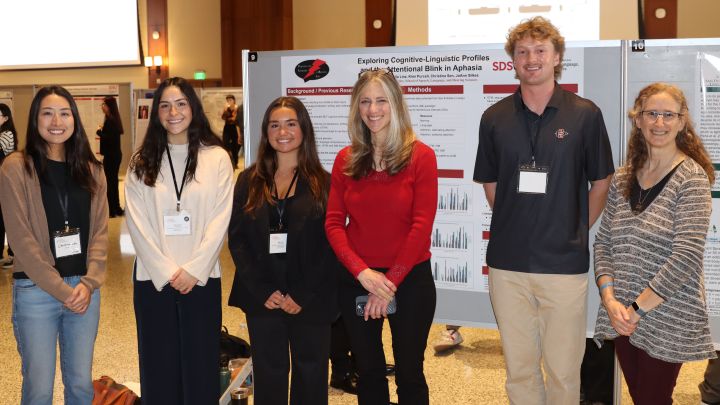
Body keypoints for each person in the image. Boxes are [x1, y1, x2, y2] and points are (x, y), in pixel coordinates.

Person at [473, 17, 614, 405]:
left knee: (564, 370)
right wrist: (517, 222)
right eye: (522, 52)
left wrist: (573, 227)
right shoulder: (494, 118)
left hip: (564, 265)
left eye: (540, 51)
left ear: (556, 58)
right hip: (507, 263)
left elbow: (601, 182)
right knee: (519, 369)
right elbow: (490, 182)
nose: (530, 59)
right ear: (512, 62)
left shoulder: (585, 114)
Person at [593, 82, 716, 405]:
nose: (658, 123)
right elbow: (603, 244)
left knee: (652, 399)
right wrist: (610, 301)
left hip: (668, 315)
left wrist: (635, 309)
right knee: (644, 399)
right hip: (621, 315)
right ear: (637, 119)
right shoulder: (623, 178)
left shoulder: (691, 178)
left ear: (681, 121)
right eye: (651, 114)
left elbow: (686, 257)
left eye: (668, 115)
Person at [325, 68, 438, 405]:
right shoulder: (346, 160)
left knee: (409, 373)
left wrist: (387, 284)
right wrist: (363, 274)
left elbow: (421, 226)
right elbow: (333, 223)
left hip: (410, 280)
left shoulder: (421, 157)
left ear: (395, 104)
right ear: (356, 108)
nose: (373, 110)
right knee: (369, 372)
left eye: (381, 101)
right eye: (365, 102)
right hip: (356, 279)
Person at [125, 77, 233, 404]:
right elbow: (137, 223)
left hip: (201, 280)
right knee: (158, 367)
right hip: (152, 281)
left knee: (200, 367)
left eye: (181, 103)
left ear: (193, 108)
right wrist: (168, 271)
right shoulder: (140, 160)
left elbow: (220, 219)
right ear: (156, 112)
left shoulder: (216, 158)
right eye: (165, 105)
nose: (174, 112)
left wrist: (193, 270)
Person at [0, 85, 108, 404]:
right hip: (36, 291)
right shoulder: (15, 168)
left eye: (64, 113)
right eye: (47, 113)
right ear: (35, 120)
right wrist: (62, 290)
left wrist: (88, 284)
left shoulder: (92, 169)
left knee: (80, 386)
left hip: (85, 290)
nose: (56, 121)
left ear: (75, 119)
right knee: (38, 388)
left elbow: (100, 234)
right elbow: (22, 241)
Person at [228, 96, 338, 404]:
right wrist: (263, 289)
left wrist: (302, 294)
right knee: (269, 372)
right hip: (263, 296)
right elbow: (237, 240)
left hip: (311, 297)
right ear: (266, 132)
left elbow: (331, 245)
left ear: (304, 129)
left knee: (311, 373)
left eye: (291, 124)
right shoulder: (248, 180)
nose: (283, 132)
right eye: (274, 125)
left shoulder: (325, 184)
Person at [96, 96, 124, 217]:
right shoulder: (113, 119)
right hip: (114, 155)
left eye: (104, 105)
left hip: (112, 156)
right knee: (113, 182)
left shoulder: (111, 120)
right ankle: (116, 208)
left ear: (109, 106)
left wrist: (99, 132)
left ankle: (112, 210)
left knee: (110, 182)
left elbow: (109, 138)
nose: (103, 107)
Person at [0, 103, 17, 267]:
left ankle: (14, 254)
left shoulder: (7, 134)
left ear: (5, 118)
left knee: (8, 218)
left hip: (5, 183)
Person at [222, 94, 241, 168]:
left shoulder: (237, 108)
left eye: (230, 100)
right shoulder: (226, 108)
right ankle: (228, 161)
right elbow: (223, 117)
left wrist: (231, 117)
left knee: (235, 146)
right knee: (225, 143)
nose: (229, 101)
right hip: (227, 127)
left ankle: (235, 163)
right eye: (227, 100)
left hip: (235, 128)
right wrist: (225, 110)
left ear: (234, 100)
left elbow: (235, 119)